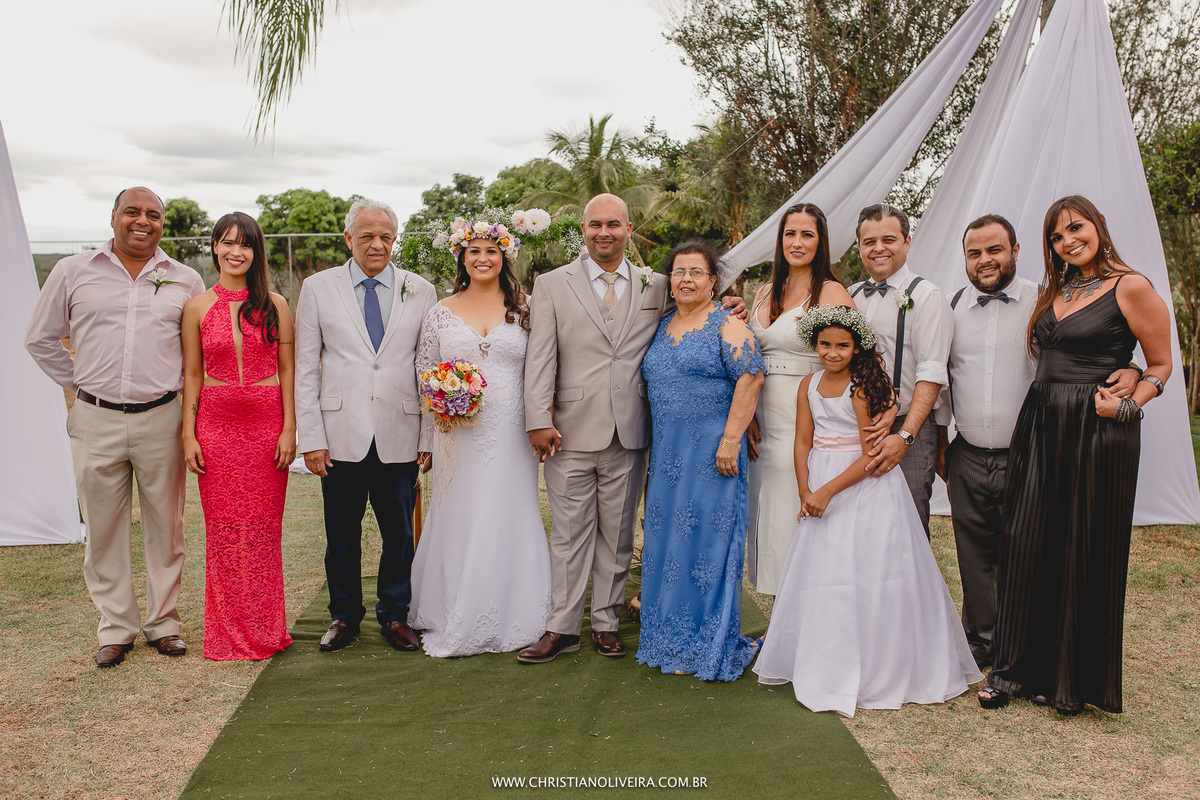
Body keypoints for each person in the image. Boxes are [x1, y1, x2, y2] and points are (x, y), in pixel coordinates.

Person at [521, 194, 746, 664]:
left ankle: (605, 621)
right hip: (568, 429)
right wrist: (538, 418)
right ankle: (561, 627)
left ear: (628, 228)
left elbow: (695, 309)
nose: (604, 232)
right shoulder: (551, 284)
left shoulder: (657, 284)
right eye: (595, 224)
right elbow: (540, 355)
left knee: (619, 534)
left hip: (632, 431)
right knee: (568, 532)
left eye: (614, 225)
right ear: (583, 228)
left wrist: (730, 307)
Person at [978, 196, 1172, 714]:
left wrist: (1129, 400)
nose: (1068, 241)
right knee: (1025, 537)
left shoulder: (1131, 285)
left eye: (1076, 228)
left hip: (1097, 426)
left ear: (1099, 226)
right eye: (1057, 237)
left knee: (1083, 543)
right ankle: (1011, 672)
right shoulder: (1056, 288)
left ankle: (1069, 682)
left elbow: (1161, 364)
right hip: (1042, 420)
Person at [753, 305, 981, 715]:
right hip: (818, 482)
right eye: (825, 344)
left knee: (866, 570)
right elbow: (803, 440)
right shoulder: (808, 383)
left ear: (856, 347)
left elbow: (871, 455)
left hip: (860, 485)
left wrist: (827, 492)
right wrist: (806, 488)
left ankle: (876, 666)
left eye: (843, 345)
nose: (833, 352)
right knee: (824, 572)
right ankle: (824, 658)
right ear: (815, 344)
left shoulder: (860, 388)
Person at [941, 214, 1140, 669]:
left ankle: (1023, 644)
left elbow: (1090, 348)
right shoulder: (951, 306)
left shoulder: (1049, 301)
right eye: (974, 253)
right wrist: (940, 442)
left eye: (995, 249)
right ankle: (982, 642)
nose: (985, 260)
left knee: (1029, 550)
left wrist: (1129, 368)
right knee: (973, 554)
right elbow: (942, 377)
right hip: (967, 452)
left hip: (1033, 451)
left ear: (1015, 249)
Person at [25, 187, 205, 667]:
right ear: (113, 218)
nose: (143, 220)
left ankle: (164, 624)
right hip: (95, 418)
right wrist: (82, 382)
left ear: (162, 224)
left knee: (167, 527)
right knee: (103, 529)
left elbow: (200, 356)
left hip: (162, 417)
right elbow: (40, 339)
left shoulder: (185, 280)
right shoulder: (72, 271)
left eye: (154, 214)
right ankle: (116, 627)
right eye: (133, 211)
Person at [295, 198, 437, 653]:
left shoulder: (421, 289)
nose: (377, 244)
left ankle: (395, 614)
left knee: (399, 533)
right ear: (347, 238)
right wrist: (311, 439)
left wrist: (429, 435)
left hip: (401, 429)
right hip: (339, 435)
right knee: (341, 533)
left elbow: (428, 366)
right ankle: (343, 615)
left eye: (386, 237)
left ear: (396, 239)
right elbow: (305, 369)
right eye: (367, 236)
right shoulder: (318, 288)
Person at [409, 224, 552, 657]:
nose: (483, 258)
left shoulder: (526, 308)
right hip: (459, 431)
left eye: (492, 250)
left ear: (505, 255)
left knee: (513, 507)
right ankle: (453, 605)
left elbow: (545, 366)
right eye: (474, 251)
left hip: (513, 428)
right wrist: (436, 422)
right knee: (462, 509)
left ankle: (519, 608)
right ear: (462, 257)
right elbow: (423, 371)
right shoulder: (441, 310)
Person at [636, 242, 765, 681]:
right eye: (678, 271)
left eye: (696, 272)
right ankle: (669, 636)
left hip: (713, 457)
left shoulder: (726, 324)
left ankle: (705, 643)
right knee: (668, 546)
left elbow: (751, 376)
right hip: (668, 455)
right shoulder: (661, 324)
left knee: (708, 547)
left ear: (714, 281)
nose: (686, 279)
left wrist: (731, 440)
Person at [746, 203, 886, 595]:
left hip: (805, 417)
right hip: (762, 416)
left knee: (796, 507)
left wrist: (885, 406)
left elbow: (863, 356)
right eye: (790, 233)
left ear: (821, 242)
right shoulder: (764, 292)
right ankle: (778, 612)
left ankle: (805, 606)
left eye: (807, 234)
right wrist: (746, 414)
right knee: (768, 511)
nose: (797, 242)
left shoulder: (830, 291)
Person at [181, 212, 296, 660]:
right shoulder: (196, 307)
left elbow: (287, 370)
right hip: (216, 427)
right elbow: (192, 373)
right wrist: (189, 436)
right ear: (213, 247)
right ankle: (227, 634)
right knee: (225, 532)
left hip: (267, 425)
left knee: (264, 531)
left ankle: (266, 632)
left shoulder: (278, 305)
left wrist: (289, 427)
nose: (236, 251)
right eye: (227, 242)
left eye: (244, 244)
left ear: (255, 252)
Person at [848, 203, 952, 534]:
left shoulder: (927, 296)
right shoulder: (850, 297)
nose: (879, 248)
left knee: (905, 530)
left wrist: (905, 437)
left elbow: (931, 373)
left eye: (889, 239)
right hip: (856, 428)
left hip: (908, 428)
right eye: (869, 241)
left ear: (907, 242)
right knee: (859, 526)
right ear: (860, 247)